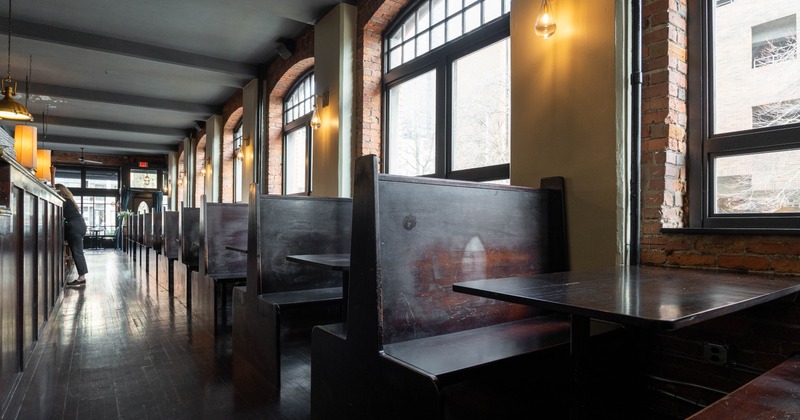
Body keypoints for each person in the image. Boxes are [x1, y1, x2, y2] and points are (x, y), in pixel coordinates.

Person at [55, 184, 88, 287]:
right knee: (78, 252)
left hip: (74, 226)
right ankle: (81, 276)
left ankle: (81, 278)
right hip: (80, 225)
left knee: (77, 252)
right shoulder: (69, 201)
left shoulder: (63, 201)